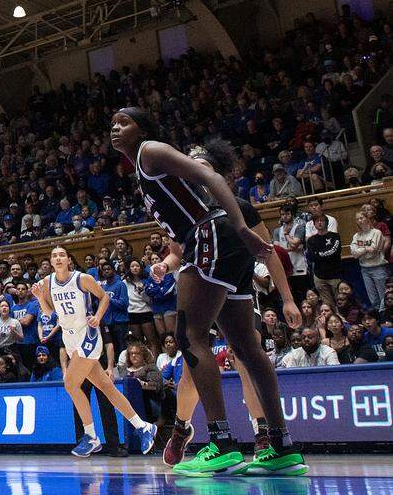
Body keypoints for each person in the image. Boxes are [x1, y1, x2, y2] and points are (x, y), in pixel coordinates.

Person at [110, 111, 304, 477]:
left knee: (190, 336)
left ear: (144, 128)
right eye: (113, 123)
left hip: (211, 234)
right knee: (246, 346)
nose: (115, 128)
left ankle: (221, 442)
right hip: (217, 241)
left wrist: (243, 227)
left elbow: (211, 176)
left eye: (124, 121)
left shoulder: (150, 150)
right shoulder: (144, 165)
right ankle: (281, 445)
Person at [161, 139, 304, 467]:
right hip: (202, 284)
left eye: (203, 166)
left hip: (233, 283)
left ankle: (265, 435)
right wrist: (164, 266)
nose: (196, 171)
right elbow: (175, 252)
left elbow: (268, 252)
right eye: (191, 165)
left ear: (217, 173)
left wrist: (288, 300)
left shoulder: (239, 206)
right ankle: (182, 428)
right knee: (191, 369)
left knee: (246, 354)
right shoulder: (184, 207)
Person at [32, 245, 157, 458]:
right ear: (51, 262)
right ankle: (143, 427)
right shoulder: (47, 282)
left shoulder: (82, 279)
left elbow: (104, 297)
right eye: (54, 256)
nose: (58, 258)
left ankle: (91, 435)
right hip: (69, 338)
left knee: (70, 384)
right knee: (107, 388)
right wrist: (39, 297)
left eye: (62, 254)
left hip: (88, 336)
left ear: (69, 259)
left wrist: (98, 317)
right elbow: (50, 314)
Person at [350, 212, 388, 314]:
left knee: (383, 296)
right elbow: (354, 253)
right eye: (357, 219)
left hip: (378, 267)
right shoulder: (356, 236)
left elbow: (374, 251)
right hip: (365, 269)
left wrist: (361, 251)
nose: (359, 220)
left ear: (367, 219)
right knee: (373, 298)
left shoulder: (376, 233)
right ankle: (377, 317)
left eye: (361, 218)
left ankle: (385, 317)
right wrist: (366, 249)